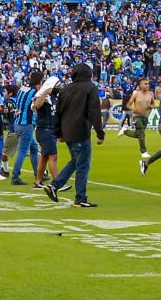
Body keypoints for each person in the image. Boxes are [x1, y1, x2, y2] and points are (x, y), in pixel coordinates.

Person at [44, 65, 106, 208]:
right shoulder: (90, 88)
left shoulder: (65, 89)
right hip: (80, 130)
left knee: (75, 161)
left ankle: (54, 186)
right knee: (83, 166)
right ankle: (80, 198)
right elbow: (94, 112)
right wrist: (100, 133)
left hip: (67, 131)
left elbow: (58, 112)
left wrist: (58, 132)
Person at [8, 72, 39, 185]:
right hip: (26, 124)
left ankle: (38, 173)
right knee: (23, 151)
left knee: (34, 148)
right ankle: (15, 176)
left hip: (17, 123)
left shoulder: (22, 88)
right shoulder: (35, 92)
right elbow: (36, 106)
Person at [124, 79, 156, 158]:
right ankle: (143, 151)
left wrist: (150, 106)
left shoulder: (151, 94)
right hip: (136, 116)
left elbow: (153, 104)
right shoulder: (136, 94)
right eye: (145, 84)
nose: (147, 85)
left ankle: (125, 131)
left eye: (148, 84)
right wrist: (134, 109)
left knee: (139, 134)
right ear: (140, 85)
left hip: (145, 117)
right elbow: (128, 105)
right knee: (141, 133)